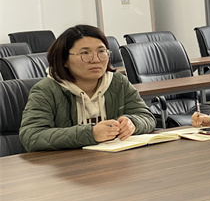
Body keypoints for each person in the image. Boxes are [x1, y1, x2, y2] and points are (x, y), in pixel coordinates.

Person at [19, 25, 155, 151]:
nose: (95, 59)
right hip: (67, 165)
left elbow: (146, 117)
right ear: (64, 60)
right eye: (85, 53)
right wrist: (91, 133)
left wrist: (132, 123)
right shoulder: (46, 90)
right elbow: (32, 136)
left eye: (101, 51)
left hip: (113, 160)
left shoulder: (118, 82)